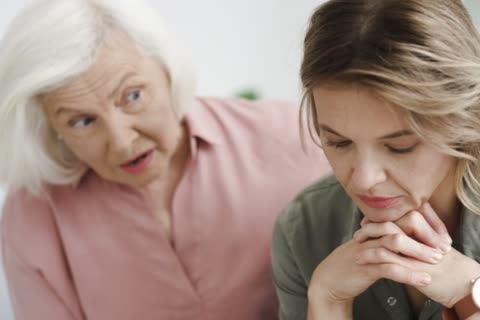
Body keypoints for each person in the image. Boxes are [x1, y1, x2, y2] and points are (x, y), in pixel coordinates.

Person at [271, 0, 480, 319]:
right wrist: (327, 300)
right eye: (339, 142)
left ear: (465, 121)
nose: (363, 179)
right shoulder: (304, 228)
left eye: (400, 146)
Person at [0, 0, 329, 319]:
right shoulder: (33, 215)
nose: (121, 140)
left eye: (132, 96)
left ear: (168, 68)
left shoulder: (296, 140)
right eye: (82, 121)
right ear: (50, 128)